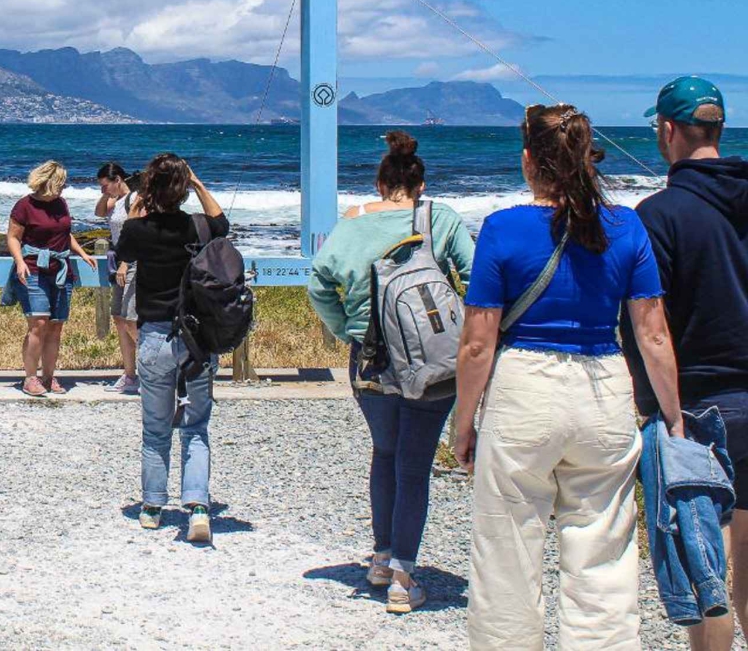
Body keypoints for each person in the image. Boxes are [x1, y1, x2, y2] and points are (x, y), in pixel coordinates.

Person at [453, 104, 686, 651]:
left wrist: (463, 423)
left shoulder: (502, 228)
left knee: (507, 548)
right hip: (604, 385)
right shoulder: (625, 225)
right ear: (586, 157)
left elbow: (478, 342)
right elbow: (652, 335)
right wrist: (673, 417)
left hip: (523, 388)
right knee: (603, 548)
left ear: (528, 160)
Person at [308, 130, 475, 613]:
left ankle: (381, 560)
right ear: (420, 186)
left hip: (370, 356)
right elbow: (476, 275)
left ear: (379, 185)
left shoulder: (353, 222)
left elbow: (319, 283)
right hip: (431, 359)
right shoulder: (439, 217)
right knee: (414, 464)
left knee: (385, 452)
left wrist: (347, 328)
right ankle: (404, 578)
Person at [623, 77, 748, 651]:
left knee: (703, 565)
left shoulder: (658, 214)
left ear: (667, 130)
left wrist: (657, 409)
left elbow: (648, 327)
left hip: (697, 405)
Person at [114, 154, 228, 544]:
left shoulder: (139, 230)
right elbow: (222, 224)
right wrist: (197, 184)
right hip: (196, 338)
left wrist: (142, 199)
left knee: (156, 429)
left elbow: (124, 245)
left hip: (155, 337)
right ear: (182, 190)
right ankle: (197, 507)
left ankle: (152, 506)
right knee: (196, 427)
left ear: (149, 188)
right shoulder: (198, 226)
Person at [7, 160, 96, 397]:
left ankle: (48, 376)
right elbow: (13, 237)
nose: (65, 187)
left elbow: (65, 234)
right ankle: (30, 377)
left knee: (56, 326)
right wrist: (19, 261)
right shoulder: (24, 206)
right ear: (50, 183)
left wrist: (83, 253)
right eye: (61, 183)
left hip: (61, 270)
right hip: (34, 269)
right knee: (39, 323)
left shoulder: (61, 204)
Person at [95, 161, 139, 394]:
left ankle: (156, 367)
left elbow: (136, 234)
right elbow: (99, 212)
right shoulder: (116, 200)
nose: (103, 190)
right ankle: (130, 374)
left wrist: (125, 263)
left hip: (133, 263)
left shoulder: (136, 199)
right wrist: (106, 194)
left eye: (106, 185)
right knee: (120, 318)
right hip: (120, 262)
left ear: (118, 180)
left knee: (132, 319)